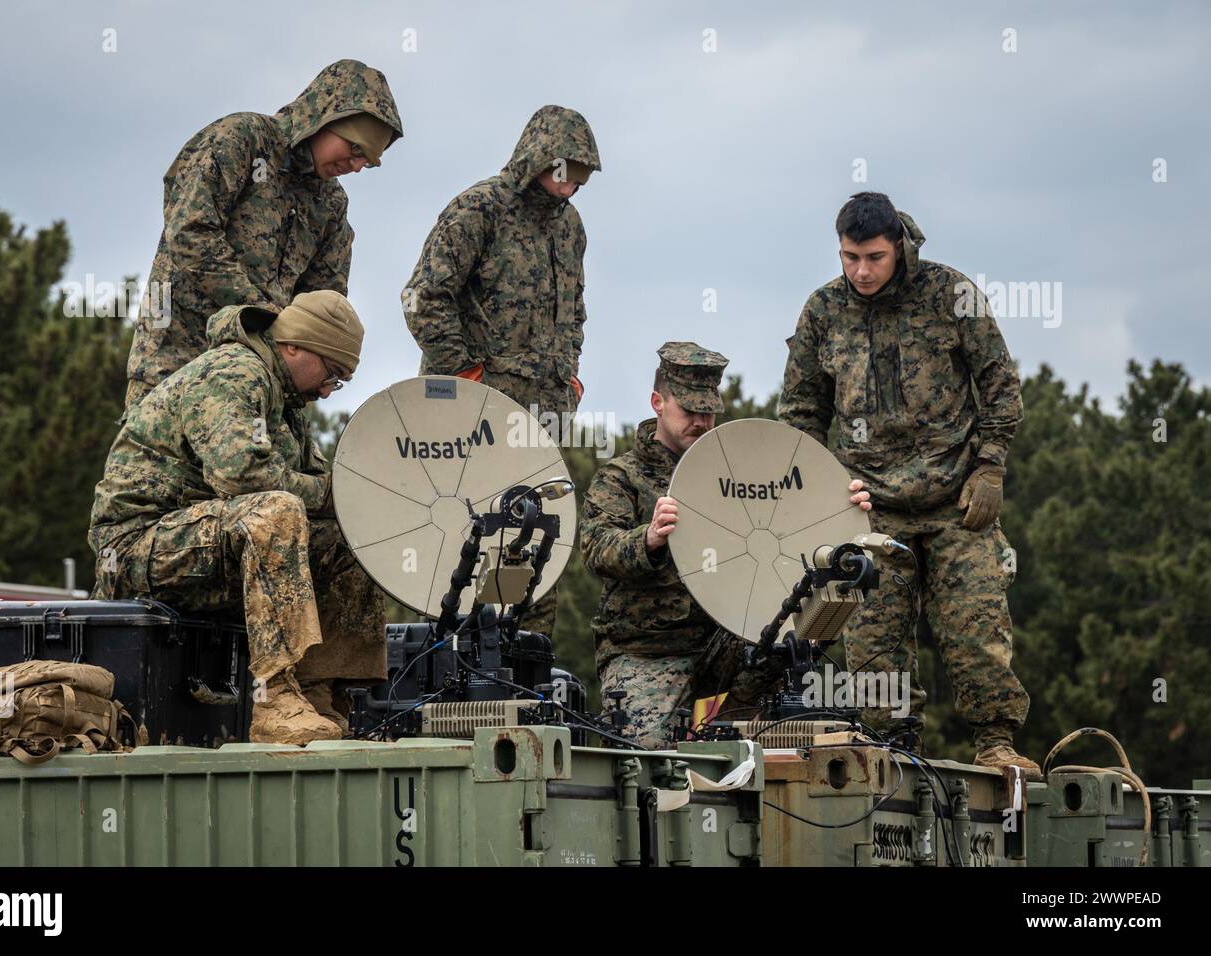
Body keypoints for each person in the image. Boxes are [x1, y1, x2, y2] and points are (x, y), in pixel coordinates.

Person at [778, 191, 1041, 777]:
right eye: (849, 257)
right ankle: (894, 757)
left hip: (956, 502)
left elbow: (1000, 384)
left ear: (899, 245)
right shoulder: (823, 311)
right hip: (869, 508)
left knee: (978, 631)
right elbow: (800, 412)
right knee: (872, 651)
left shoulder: (951, 295)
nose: (861, 271)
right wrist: (825, 493)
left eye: (873, 257)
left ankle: (996, 743)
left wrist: (991, 464)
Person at [89, 290, 385, 745]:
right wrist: (335, 493)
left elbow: (323, 485)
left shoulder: (286, 403)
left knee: (353, 535)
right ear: (294, 346)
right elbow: (243, 476)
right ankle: (275, 701)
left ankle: (318, 695)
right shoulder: (234, 372)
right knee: (276, 511)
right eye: (332, 373)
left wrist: (362, 497)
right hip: (137, 549)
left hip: (206, 539)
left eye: (340, 381)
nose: (328, 390)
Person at [580, 342, 872, 749]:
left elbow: (792, 515)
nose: (701, 422)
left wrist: (841, 506)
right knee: (643, 756)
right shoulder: (622, 478)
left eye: (708, 411)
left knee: (795, 627)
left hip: (722, 642)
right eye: (689, 411)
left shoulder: (739, 471)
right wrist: (647, 539)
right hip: (646, 649)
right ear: (657, 403)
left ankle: (729, 734)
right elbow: (596, 549)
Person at [402, 105, 600, 642]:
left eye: (580, 178)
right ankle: (440, 667)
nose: (569, 189)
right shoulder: (479, 209)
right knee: (461, 539)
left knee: (535, 539)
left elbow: (575, 310)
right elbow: (423, 296)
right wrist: (462, 374)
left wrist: (570, 375)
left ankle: (522, 666)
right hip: (473, 421)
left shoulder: (572, 228)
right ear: (536, 158)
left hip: (542, 424)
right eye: (563, 173)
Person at [123, 59, 403, 410]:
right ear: (326, 118)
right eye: (356, 149)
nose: (357, 165)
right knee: (156, 465)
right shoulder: (242, 141)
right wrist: (264, 316)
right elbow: (189, 230)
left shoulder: (331, 206)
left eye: (369, 161)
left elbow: (322, 304)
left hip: (259, 387)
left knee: (253, 468)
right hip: (177, 363)